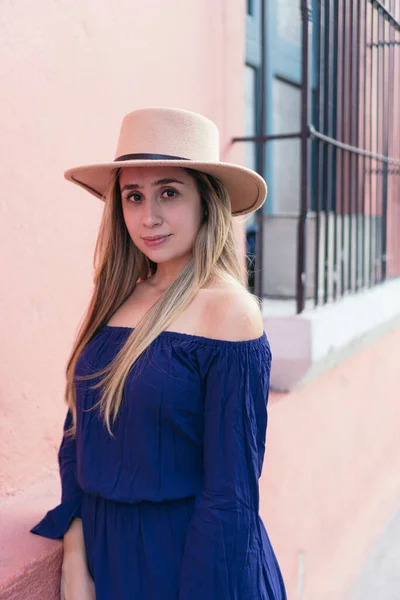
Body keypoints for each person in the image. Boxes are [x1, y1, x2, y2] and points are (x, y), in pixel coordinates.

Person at [30, 107, 287, 600]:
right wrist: (76, 557)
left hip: (188, 563)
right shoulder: (118, 297)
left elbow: (230, 495)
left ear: (206, 202)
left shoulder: (229, 313)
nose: (148, 217)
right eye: (133, 196)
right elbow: (77, 433)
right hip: (108, 556)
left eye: (169, 192)